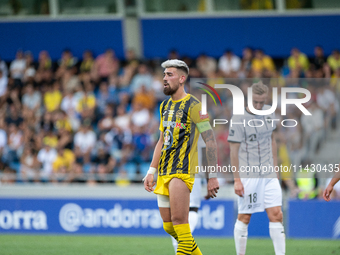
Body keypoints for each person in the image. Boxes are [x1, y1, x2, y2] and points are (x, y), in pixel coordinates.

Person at [143, 59, 219, 255]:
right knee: (169, 227)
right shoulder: (164, 106)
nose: (164, 79)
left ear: (182, 78)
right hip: (163, 172)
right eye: (164, 75)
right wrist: (151, 171)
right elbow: (161, 140)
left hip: (182, 171)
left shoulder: (195, 106)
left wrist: (212, 176)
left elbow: (210, 141)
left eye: (169, 75)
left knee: (180, 223)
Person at [228, 81, 285, 255]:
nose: (259, 106)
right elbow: (233, 151)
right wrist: (237, 180)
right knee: (245, 217)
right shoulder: (238, 118)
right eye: (256, 102)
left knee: (277, 214)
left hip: (268, 173)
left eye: (262, 102)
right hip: (249, 174)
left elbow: (272, 140)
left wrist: (275, 169)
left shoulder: (269, 114)